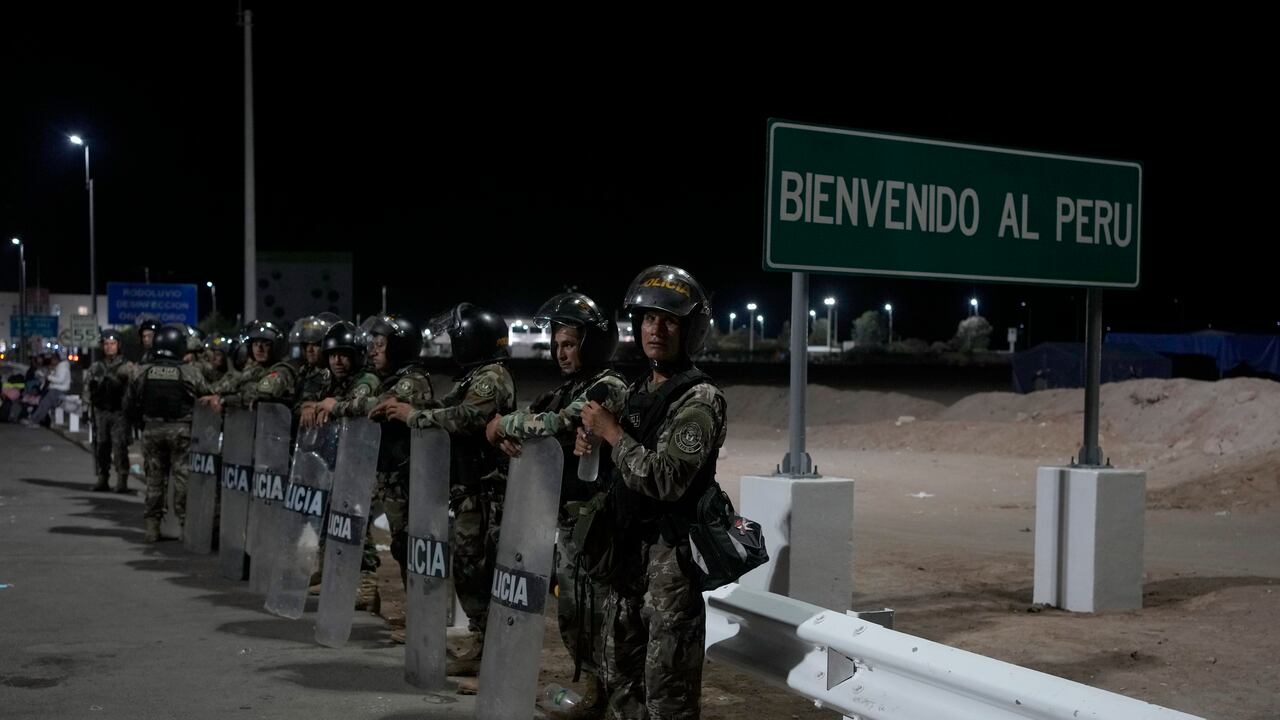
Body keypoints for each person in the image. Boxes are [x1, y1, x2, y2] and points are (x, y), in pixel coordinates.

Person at [577, 265, 725, 719]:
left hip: (670, 563)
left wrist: (612, 433)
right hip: (627, 553)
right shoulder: (638, 391)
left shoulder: (700, 399)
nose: (656, 330)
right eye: (648, 319)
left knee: (667, 693)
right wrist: (592, 442)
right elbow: (618, 459)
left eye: (670, 321)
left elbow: (665, 478)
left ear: (689, 330)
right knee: (618, 676)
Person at [484, 291, 627, 712]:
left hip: (598, 523)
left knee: (595, 611)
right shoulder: (569, 387)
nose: (561, 353)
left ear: (591, 345)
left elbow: (555, 422)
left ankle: (607, 696)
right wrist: (508, 433)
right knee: (573, 611)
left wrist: (503, 425)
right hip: (569, 518)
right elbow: (539, 422)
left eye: (570, 344)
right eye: (558, 344)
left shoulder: (608, 387)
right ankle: (597, 691)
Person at [375, 302, 515, 674]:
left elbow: (467, 417)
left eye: (457, 338)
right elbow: (447, 407)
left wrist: (414, 415)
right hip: (469, 489)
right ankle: (483, 646)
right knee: (468, 566)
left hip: (485, 490)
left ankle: (490, 655)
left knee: (477, 568)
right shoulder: (472, 378)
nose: (453, 345)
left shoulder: (491, 376)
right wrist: (401, 408)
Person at [318, 314, 433, 608]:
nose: (373, 351)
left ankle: (422, 612)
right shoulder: (394, 378)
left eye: (381, 345)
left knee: (411, 546)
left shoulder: (411, 381)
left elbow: (377, 406)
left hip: (406, 477)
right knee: (401, 545)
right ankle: (416, 610)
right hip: (391, 473)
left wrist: (337, 406)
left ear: (399, 347)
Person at [125, 324, 213, 542]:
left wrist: (140, 422)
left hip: (151, 430)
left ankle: (152, 527)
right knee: (183, 479)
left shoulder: (141, 371)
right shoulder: (189, 372)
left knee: (154, 479)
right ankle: (185, 526)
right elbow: (207, 395)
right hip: (181, 431)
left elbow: (129, 403)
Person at [85, 329, 133, 492]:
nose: (109, 347)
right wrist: (86, 408)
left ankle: (122, 479)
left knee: (120, 446)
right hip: (101, 411)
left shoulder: (126, 366)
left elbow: (133, 389)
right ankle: (102, 477)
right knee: (101, 446)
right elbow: (87, 389)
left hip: (119, 412)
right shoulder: (97, 367)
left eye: (112, 344)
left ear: (118, 345)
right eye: (106, 344)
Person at [26, 345, 71, 428]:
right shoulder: (60, 367)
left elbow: (60, 380)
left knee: (44, 405)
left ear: (57, 359)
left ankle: (34, 421)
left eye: (52, 359)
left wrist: (48, 377)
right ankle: (36, 420)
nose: (51, 361)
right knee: (44, 404)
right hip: (56, 389)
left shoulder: (62, 368)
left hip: (58, 390)